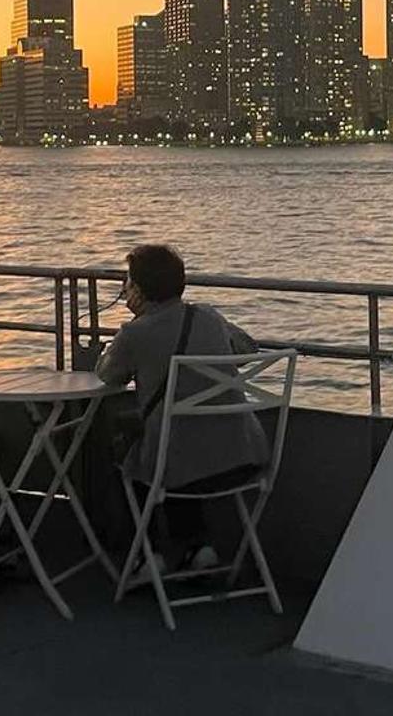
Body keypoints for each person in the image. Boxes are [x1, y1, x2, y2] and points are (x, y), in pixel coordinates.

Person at [94, 244, 270, 571]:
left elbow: (107, 377)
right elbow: (247, 346)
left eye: (128, 282)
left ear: (139, 289)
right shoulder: (208, 316)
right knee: (174, 436)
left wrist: (122, 336)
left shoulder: (135, 332)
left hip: (179, 467)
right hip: (242, 456)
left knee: (134, 451)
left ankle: (148, 556)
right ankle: (199, 547)